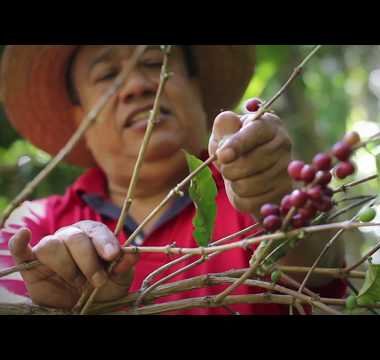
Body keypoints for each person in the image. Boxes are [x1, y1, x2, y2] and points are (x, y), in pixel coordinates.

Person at [0, 45, 346, 315]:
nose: (136, 86)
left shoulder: (252, 184)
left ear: (197, 90)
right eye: (107, 75)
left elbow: (319, 262)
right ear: (79, 121)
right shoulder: (31, 227)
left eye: (154, 63)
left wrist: (278, 202)